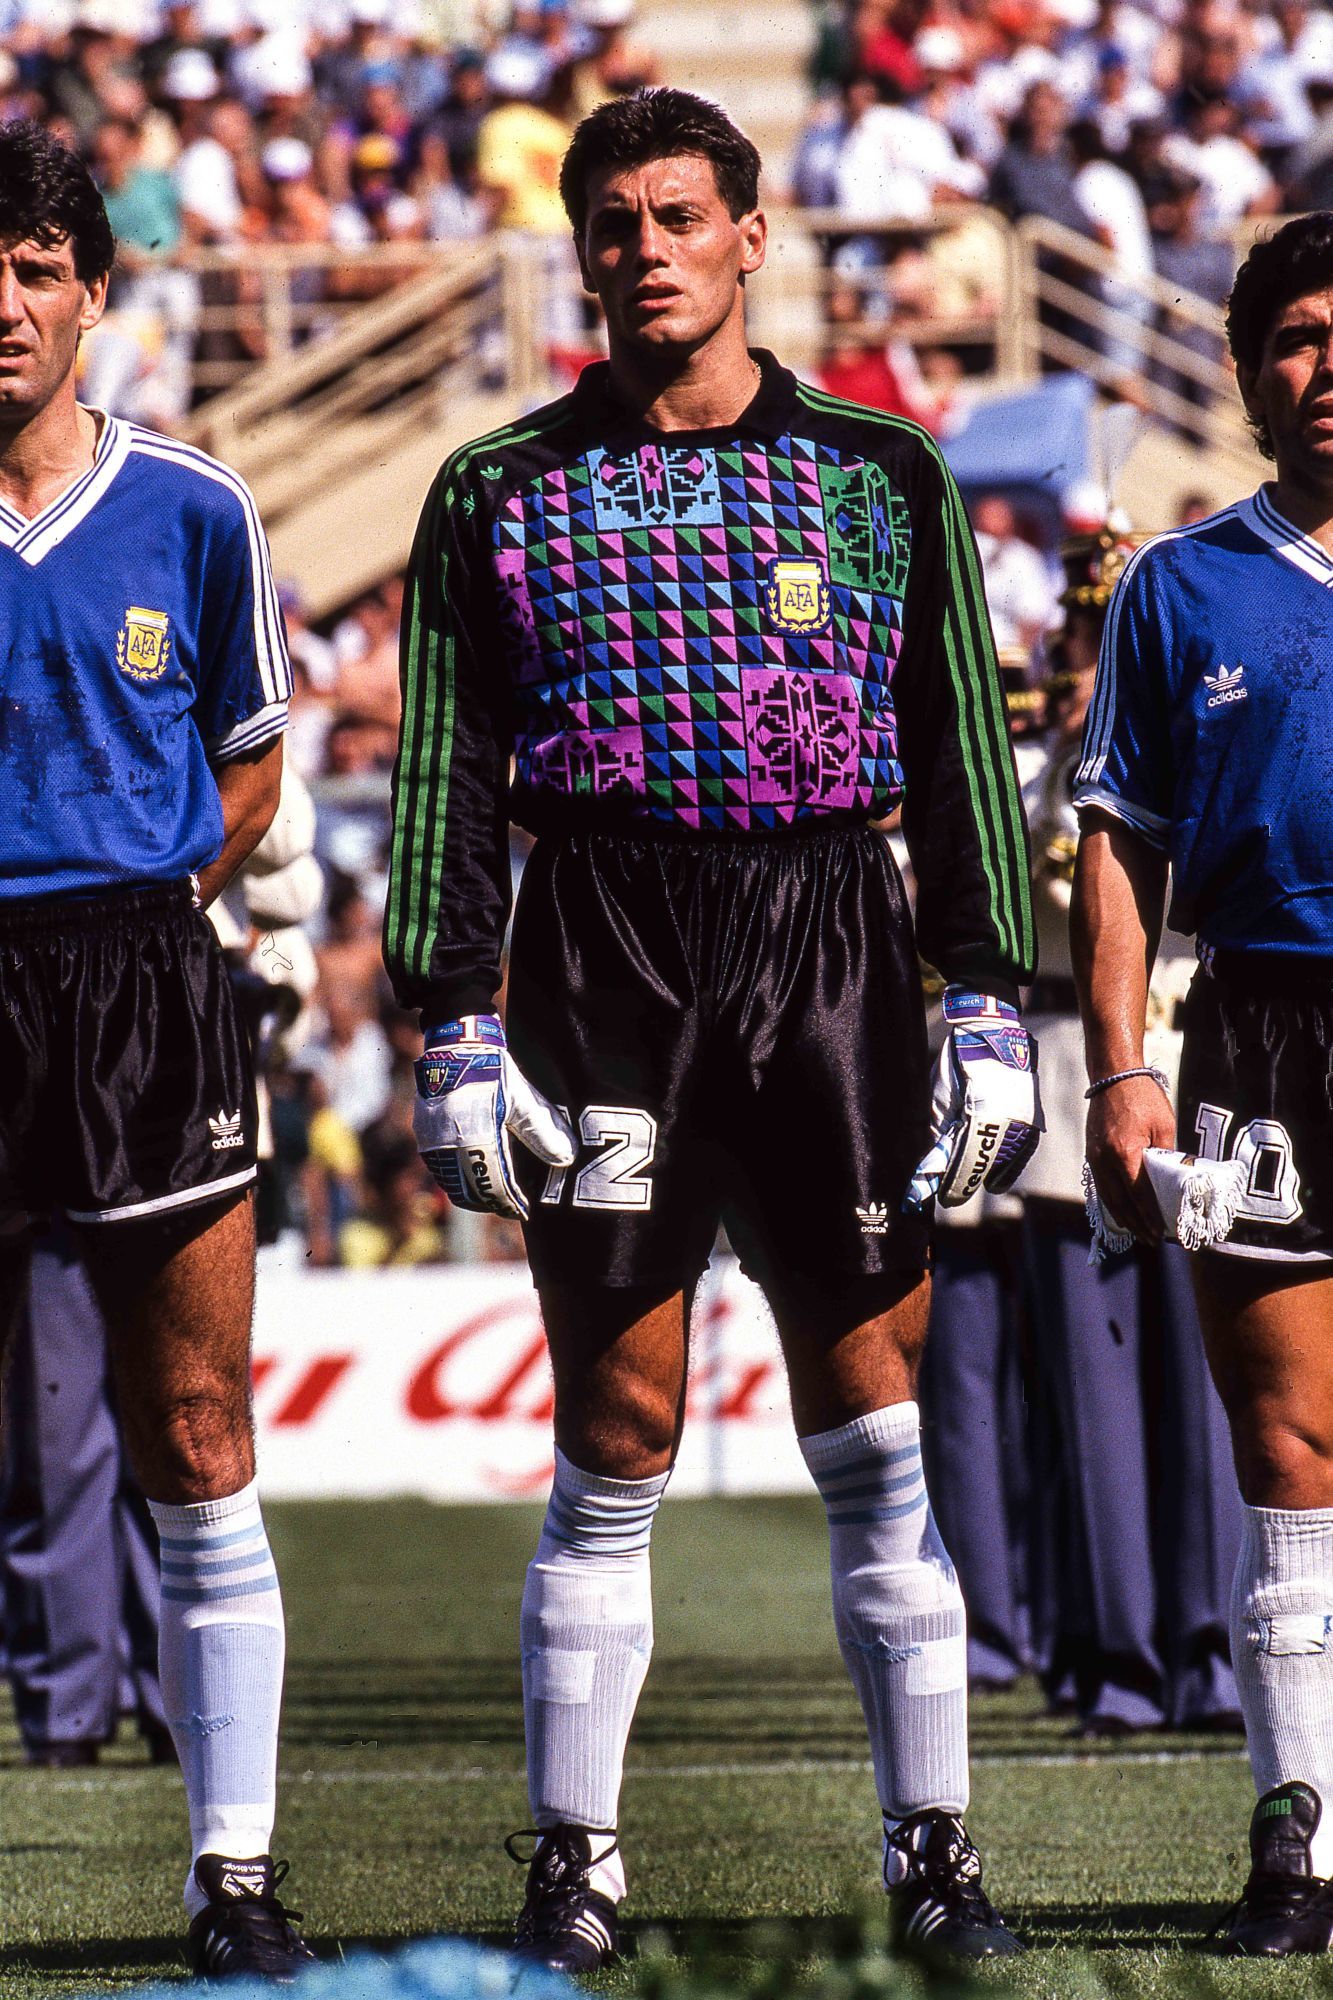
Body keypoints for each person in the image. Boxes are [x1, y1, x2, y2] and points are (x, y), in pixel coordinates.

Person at [385, 85, 1038, 1973]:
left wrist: (980, 994)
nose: (647, 248)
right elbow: (448, 762)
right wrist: (446, 1017)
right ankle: (574, 1863)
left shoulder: (878, 469)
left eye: (681, 215)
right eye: (614, 222)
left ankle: (934, 1852)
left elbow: (954, 746)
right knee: (616, 1422)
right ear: (581, 250)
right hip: (602, 953)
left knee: (872, 1419)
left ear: (753, 238)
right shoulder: (493, 489)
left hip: (830, 935)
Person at [0, 121, 312, 1979]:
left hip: (137, 985)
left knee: (195, 1430)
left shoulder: (192, 507)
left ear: (95, 296)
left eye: (39, 268)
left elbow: (252, 754)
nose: (5, 303)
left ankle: (235, 1870)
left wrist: (141, 876)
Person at [1073, 210, 1333, 1956]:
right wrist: (1119, 1070)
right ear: (1244, 374)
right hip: (1257, 1034)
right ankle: (1299, 1850)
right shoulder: (1178, 585)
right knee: (1288, 1440)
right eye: (1298, 339)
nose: (1329, 369)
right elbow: (1116, 846)